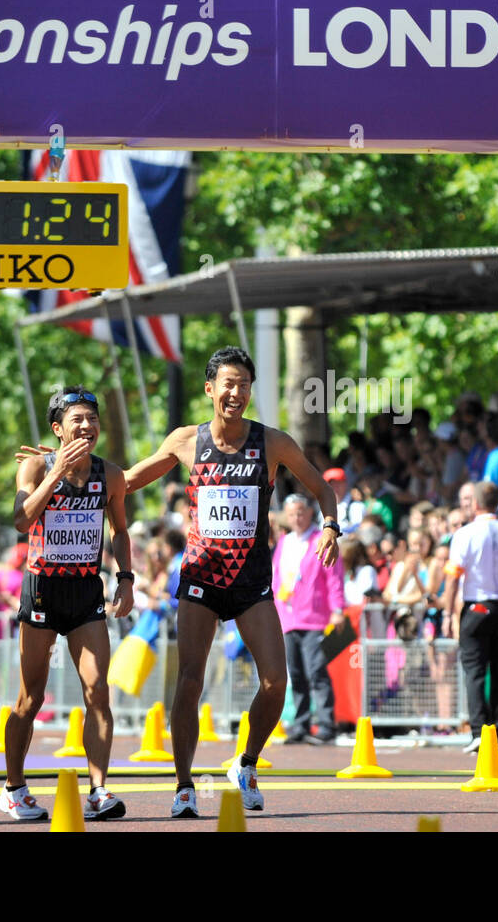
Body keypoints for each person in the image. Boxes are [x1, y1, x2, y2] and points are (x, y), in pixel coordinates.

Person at [122, 347, 338, 818]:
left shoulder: (272, 443)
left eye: (243, 384)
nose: (235, 393)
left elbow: (322, 488)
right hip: (201, 578)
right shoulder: (186, 441)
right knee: (189, 680)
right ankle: (183, 787)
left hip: (251, 581)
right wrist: (69, 471)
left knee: (275, 681)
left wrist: (330, 527)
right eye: (228, 384)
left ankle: (245, 762)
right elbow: (129, 479)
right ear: (210, 389)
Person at [5, 386, 134, 822]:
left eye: (92, 419)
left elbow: (119, 530)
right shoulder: (35, 466)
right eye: (77, 420)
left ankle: (98, 790)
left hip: (85, 594)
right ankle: (14, 788)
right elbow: (22, 520)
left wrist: (127, 579)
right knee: (31, 698)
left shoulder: (110, 475)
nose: (87, 427)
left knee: (98, 691)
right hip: (41, 591)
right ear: (57, 429)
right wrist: (55, 471)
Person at [440, 481, 498, 753]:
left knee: (475, 670)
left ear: (475, 504)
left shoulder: (465, 534)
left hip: (477, 606)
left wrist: (448, 613)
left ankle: (480, 731)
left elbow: (453, 577)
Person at [273, 494, 345, 745]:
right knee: (295, 672)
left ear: (309, 512)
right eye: (292, 513)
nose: (297, 517)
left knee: (317, 670)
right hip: (288, 616)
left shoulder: (320, 538)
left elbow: (334, 576)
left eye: (301, 512)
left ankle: (326, 724)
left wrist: (337, 608)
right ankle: (300, 724)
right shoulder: (284, 541)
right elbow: (277, 576)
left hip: (315, 617)